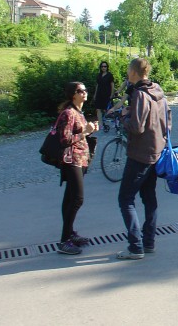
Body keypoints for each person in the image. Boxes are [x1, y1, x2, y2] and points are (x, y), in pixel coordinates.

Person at [117, 58, 171, 260]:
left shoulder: (140, 95)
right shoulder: (158, 91)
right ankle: (148, 242)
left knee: (125, 199)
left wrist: (124, 116)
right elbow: (168, 123)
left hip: (140, 154)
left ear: (133, 72)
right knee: (149, 198)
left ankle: (135, 246)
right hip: (156, 152)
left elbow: (137, 127)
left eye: (128, 71)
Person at [56, 82, 99, 255]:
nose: (85, 93)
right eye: (81, 91)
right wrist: (86, 132)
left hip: (80, 160)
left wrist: (90, 130)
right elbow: (64, 140)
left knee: (69, 198)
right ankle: (64, 240)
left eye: (86, 90)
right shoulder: (68, 113)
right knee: (77, 199)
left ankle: (70, 233)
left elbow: (81, 134)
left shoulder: (78, 112)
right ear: (73, 94)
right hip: (71, 160)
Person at [93, 61, 115, 126]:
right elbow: (97, 85)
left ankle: (107, 123)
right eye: (102, 66)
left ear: (107, 67)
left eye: (105, 66)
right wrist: (95, 94)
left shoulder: (110, 75)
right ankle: (100, 123)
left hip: (107, 94)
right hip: (99, 94)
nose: (103, 68)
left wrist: (111, 94)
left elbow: (112, 85)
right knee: (98, 108)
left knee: (106, 109)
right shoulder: (99, 75)